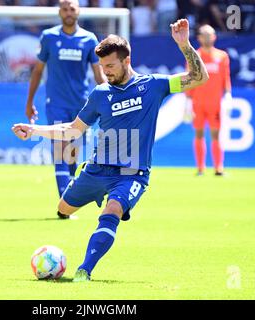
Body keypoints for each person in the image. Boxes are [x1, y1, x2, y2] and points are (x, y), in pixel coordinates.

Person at [13, 19, 209, 281]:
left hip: (132, 173)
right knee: (63, 208)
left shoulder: (153, 85)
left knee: (113, 209)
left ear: (126, 61)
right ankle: (84, 187)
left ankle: (85, 270)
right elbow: (73, 129)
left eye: (110, 65)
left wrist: (184, 45)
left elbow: (199, 77)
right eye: (102, 66)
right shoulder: (100, 94)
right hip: (96, 169)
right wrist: (34, 130)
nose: (105, 71)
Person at [25, 0, 106, 219]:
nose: (68, 12)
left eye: (72, 8)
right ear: (59, 12)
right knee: (60, 150)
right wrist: (29, 101)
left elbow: (98, 76)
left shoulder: (89, 39)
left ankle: (67, 196)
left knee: (73, 156)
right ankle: (64, 206)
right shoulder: (49, 37)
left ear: (78, 11)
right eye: (65, 9)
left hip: (81, 104)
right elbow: (37, 71)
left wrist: (107, 101)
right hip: (56, 103)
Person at [184, 24, 232, 176]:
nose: (207, 37)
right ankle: (200, 168)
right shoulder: (194, 57)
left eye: (209, 34)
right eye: (204, 35)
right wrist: (187, 101)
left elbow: (226, 77)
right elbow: (189, 79)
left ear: (214, 37)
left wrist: (228, 96)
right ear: (198, 38)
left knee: (216, 134)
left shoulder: (222, 56)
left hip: (215, 103)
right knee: (199, 133)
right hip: (198, 102)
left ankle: (218, 167)